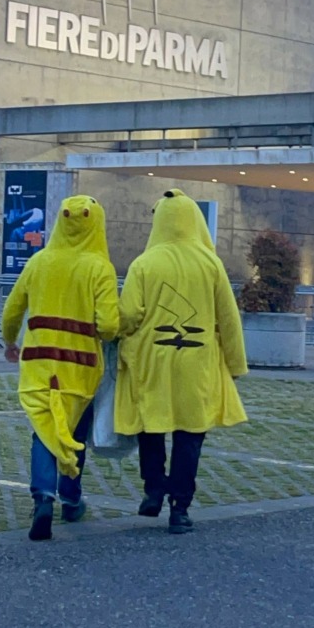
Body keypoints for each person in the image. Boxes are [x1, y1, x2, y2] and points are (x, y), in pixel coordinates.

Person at [115, 188, 248, 534]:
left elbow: (128, 315)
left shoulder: (143, 264)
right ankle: (181, 507)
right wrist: (235, 364)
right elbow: (228, 320)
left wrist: (115, 333)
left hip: (151, 360)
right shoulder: (210, 264)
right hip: (197, 362)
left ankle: (154, 489)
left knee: (151, 426)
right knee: (190, 433)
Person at [1, 195, 119, 542]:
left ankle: (42, 496)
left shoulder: (39, 261)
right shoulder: (100, 268)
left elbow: (12, 310)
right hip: (80, 368)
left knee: (44, 428)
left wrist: (11, 341)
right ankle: (69, 497)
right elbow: (109, 325)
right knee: (75, 431)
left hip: (38, 361)